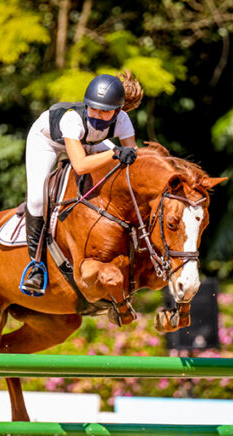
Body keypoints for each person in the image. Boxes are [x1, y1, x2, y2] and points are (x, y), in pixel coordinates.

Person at [20, 71, 144, 296]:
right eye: (93, 108)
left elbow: (133, 154)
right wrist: (117, 152)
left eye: (105, 111)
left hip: (85, 142)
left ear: (118, 111)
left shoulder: (123, 120)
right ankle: (35, 266)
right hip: (47, 141)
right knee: (38, 198)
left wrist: (127, 155)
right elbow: (80, 165)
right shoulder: (73, 119)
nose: (97, 114)